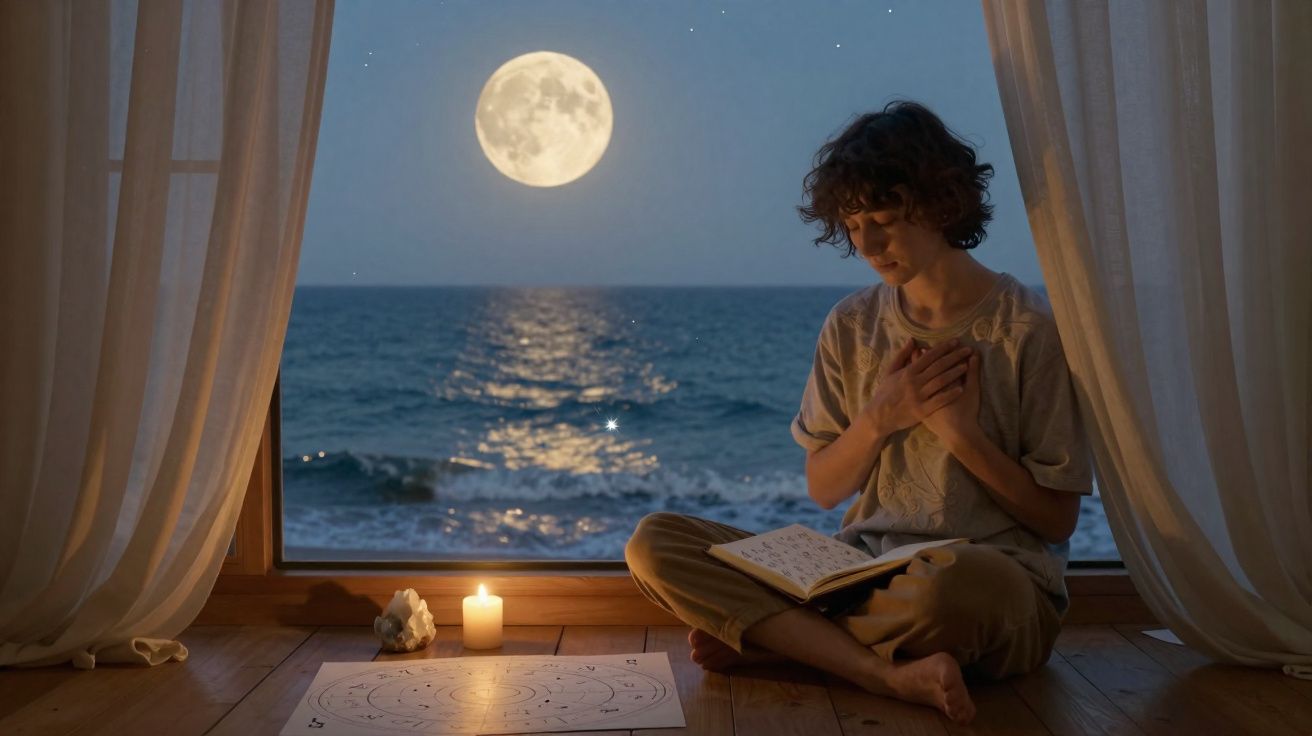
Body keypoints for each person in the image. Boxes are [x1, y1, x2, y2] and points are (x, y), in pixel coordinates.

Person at [623, 100, 1094, 725]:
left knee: (947, 586)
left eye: (884, 219)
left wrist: (960, 434)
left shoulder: (1027, 330)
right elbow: (824, 487)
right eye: (852, 223)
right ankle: (883, 673)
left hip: (991, 582)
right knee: (656, 542)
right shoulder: (851, 324)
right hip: (858, 572)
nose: (867, 243)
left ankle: (786, 642)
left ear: (940, 202)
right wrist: (881, 416)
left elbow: (1056, 520)